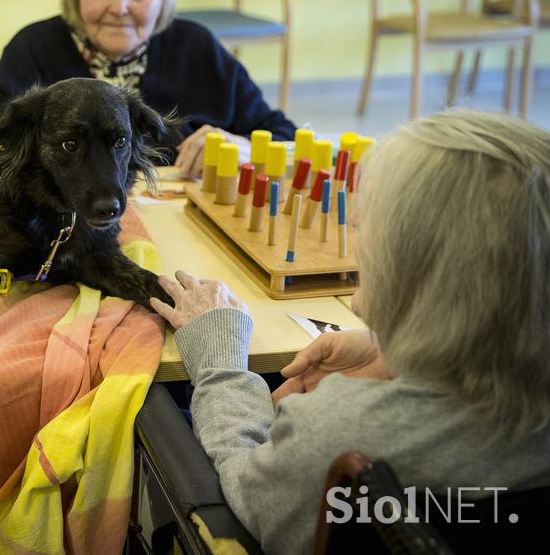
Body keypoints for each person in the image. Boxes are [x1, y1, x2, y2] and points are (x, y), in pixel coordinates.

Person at [149, 110, 550, 554]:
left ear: (414, 276)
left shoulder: (337, 431)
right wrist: (393, 354)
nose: (358, 240)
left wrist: (220, 365)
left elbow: (251, 495)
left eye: (367, 230)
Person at [0, 0, 297, 177]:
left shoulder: (196, 47)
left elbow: (284, 135)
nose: (120, 6)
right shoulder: (34, 47)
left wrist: (246, 148)